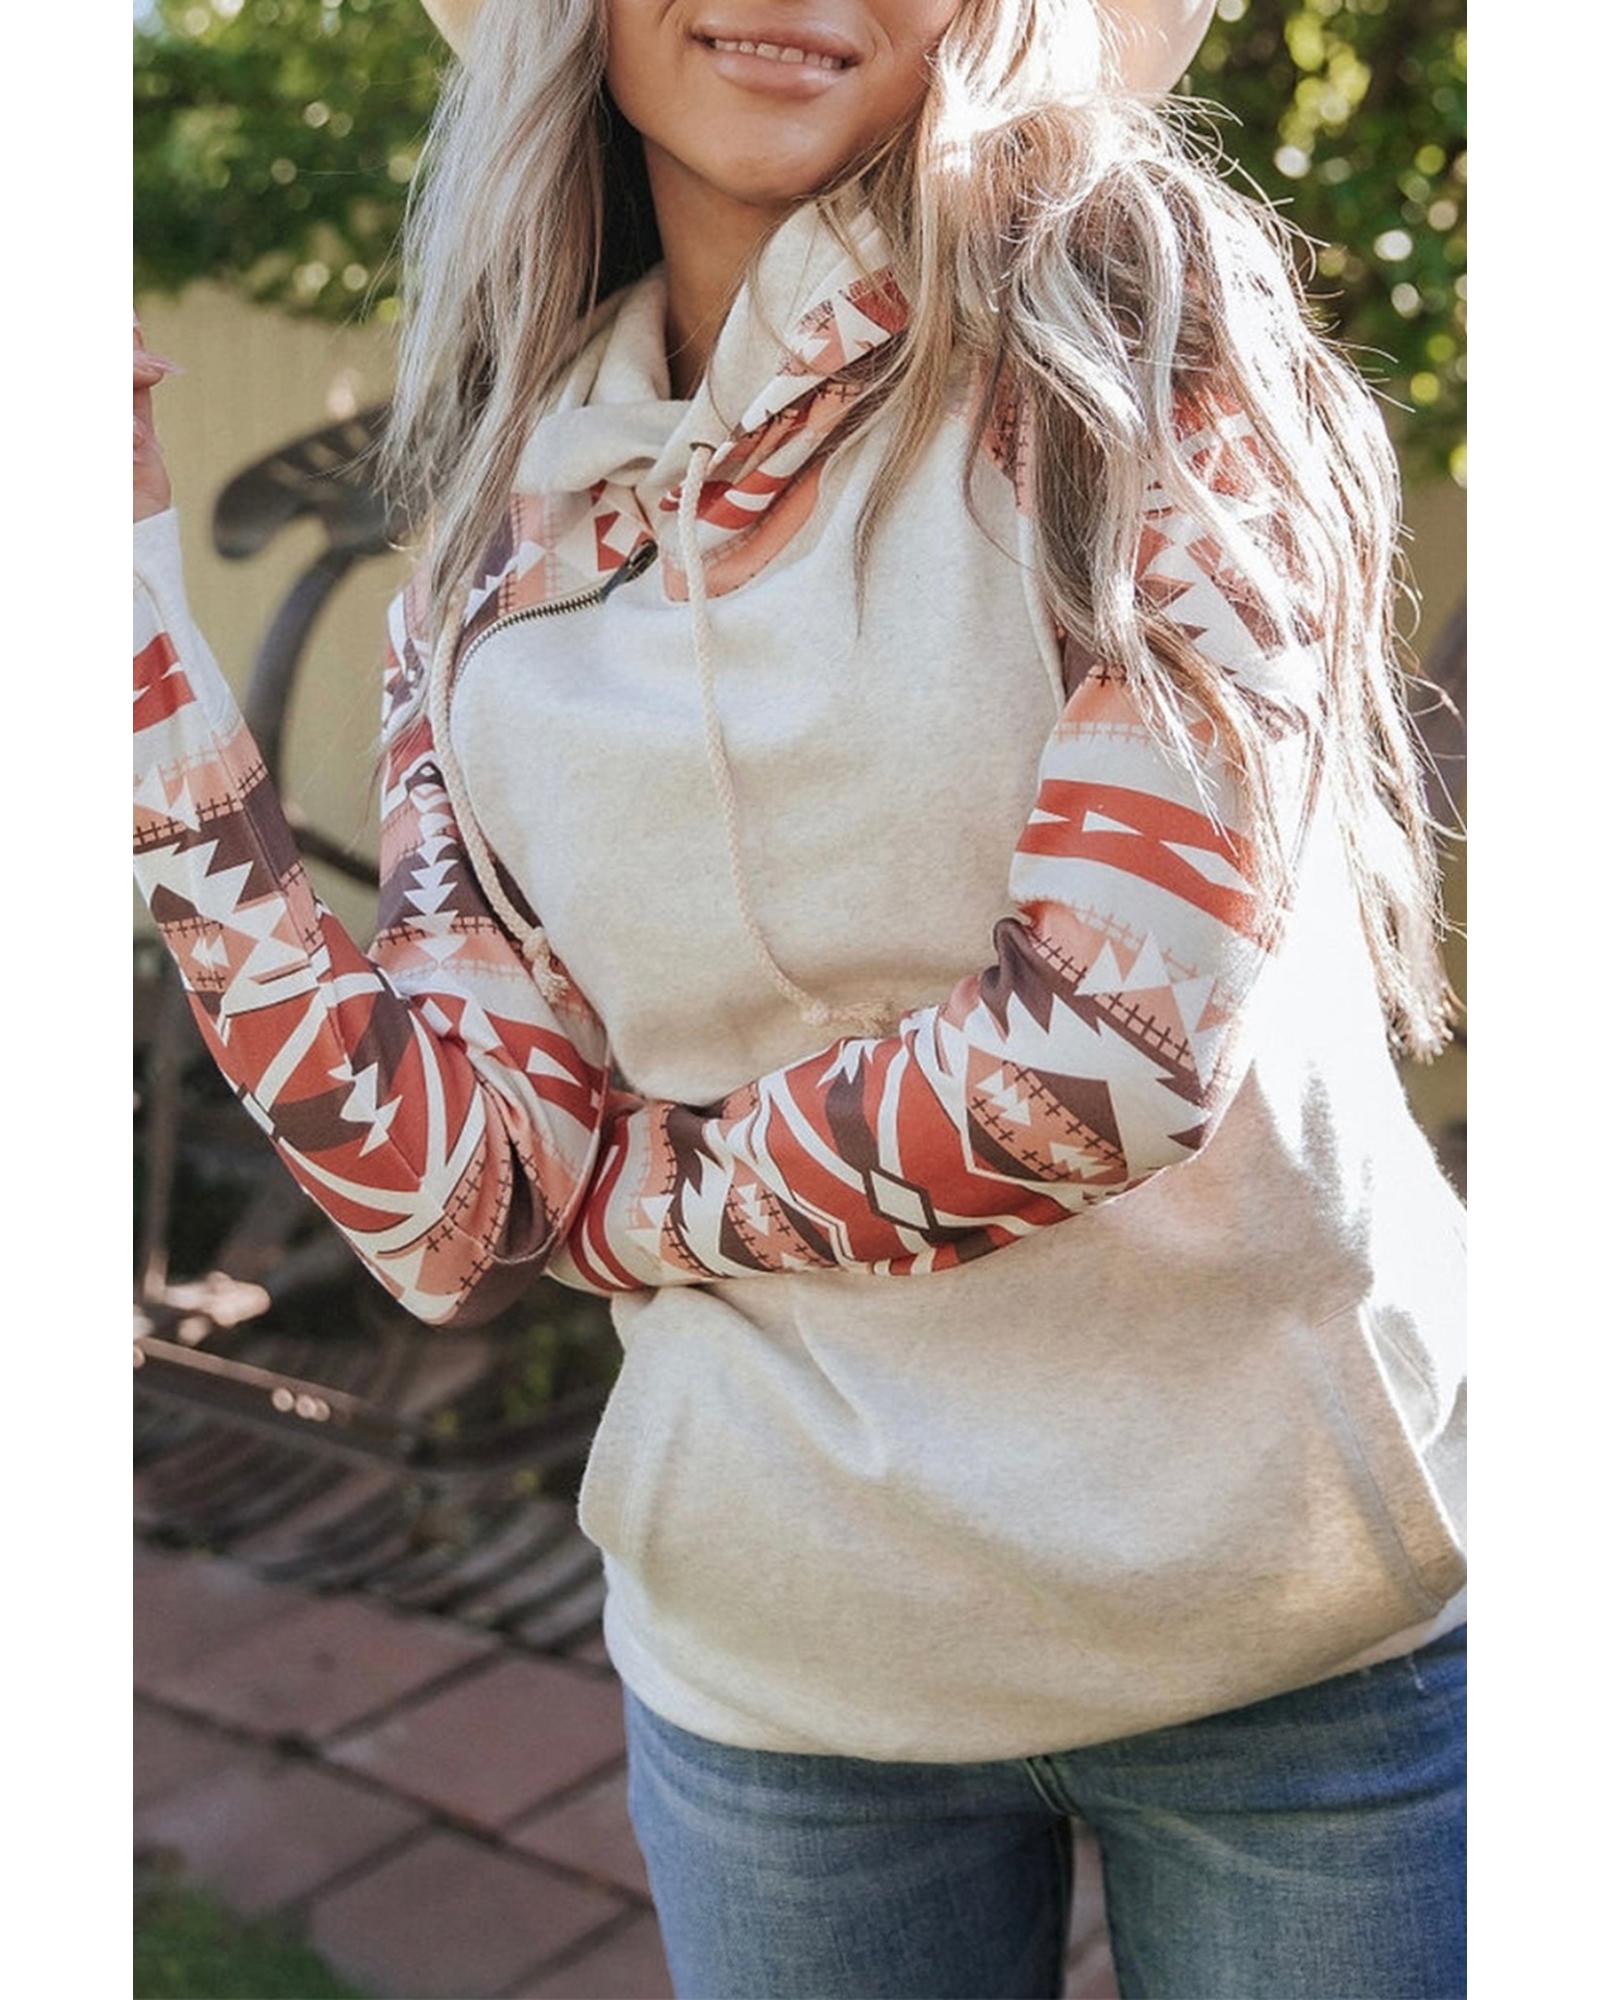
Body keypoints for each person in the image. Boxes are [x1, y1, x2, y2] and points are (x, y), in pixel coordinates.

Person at [132, 3, 1467, 1994]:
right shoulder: (492, 550)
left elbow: (1100, 1052)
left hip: (1289, 1639)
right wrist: (125, 636)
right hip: (780, 1676)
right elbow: (452, 1205)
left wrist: (634, 1204)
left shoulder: (1147, 369)